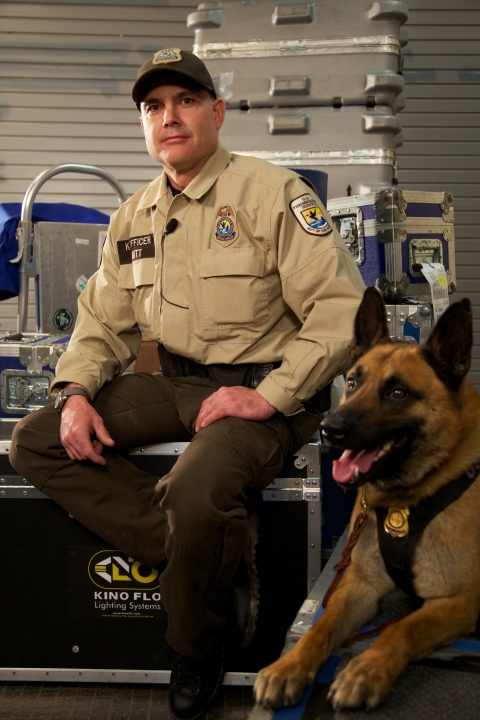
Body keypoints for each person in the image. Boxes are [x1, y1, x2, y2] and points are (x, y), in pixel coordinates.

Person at [10, 48, 365, 720]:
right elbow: (101, 324)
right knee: (35, 441)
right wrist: (74, 394)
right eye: (154, 107)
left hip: (268, 395)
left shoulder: (273, 193)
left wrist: (269, 395)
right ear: (144, 124)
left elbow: (341, 312)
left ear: (217, 112)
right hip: (175, 385)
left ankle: (197, 645)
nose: (168, 117)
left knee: (197, 488)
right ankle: (205, 558)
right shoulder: (133, 217)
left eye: (186, 101)